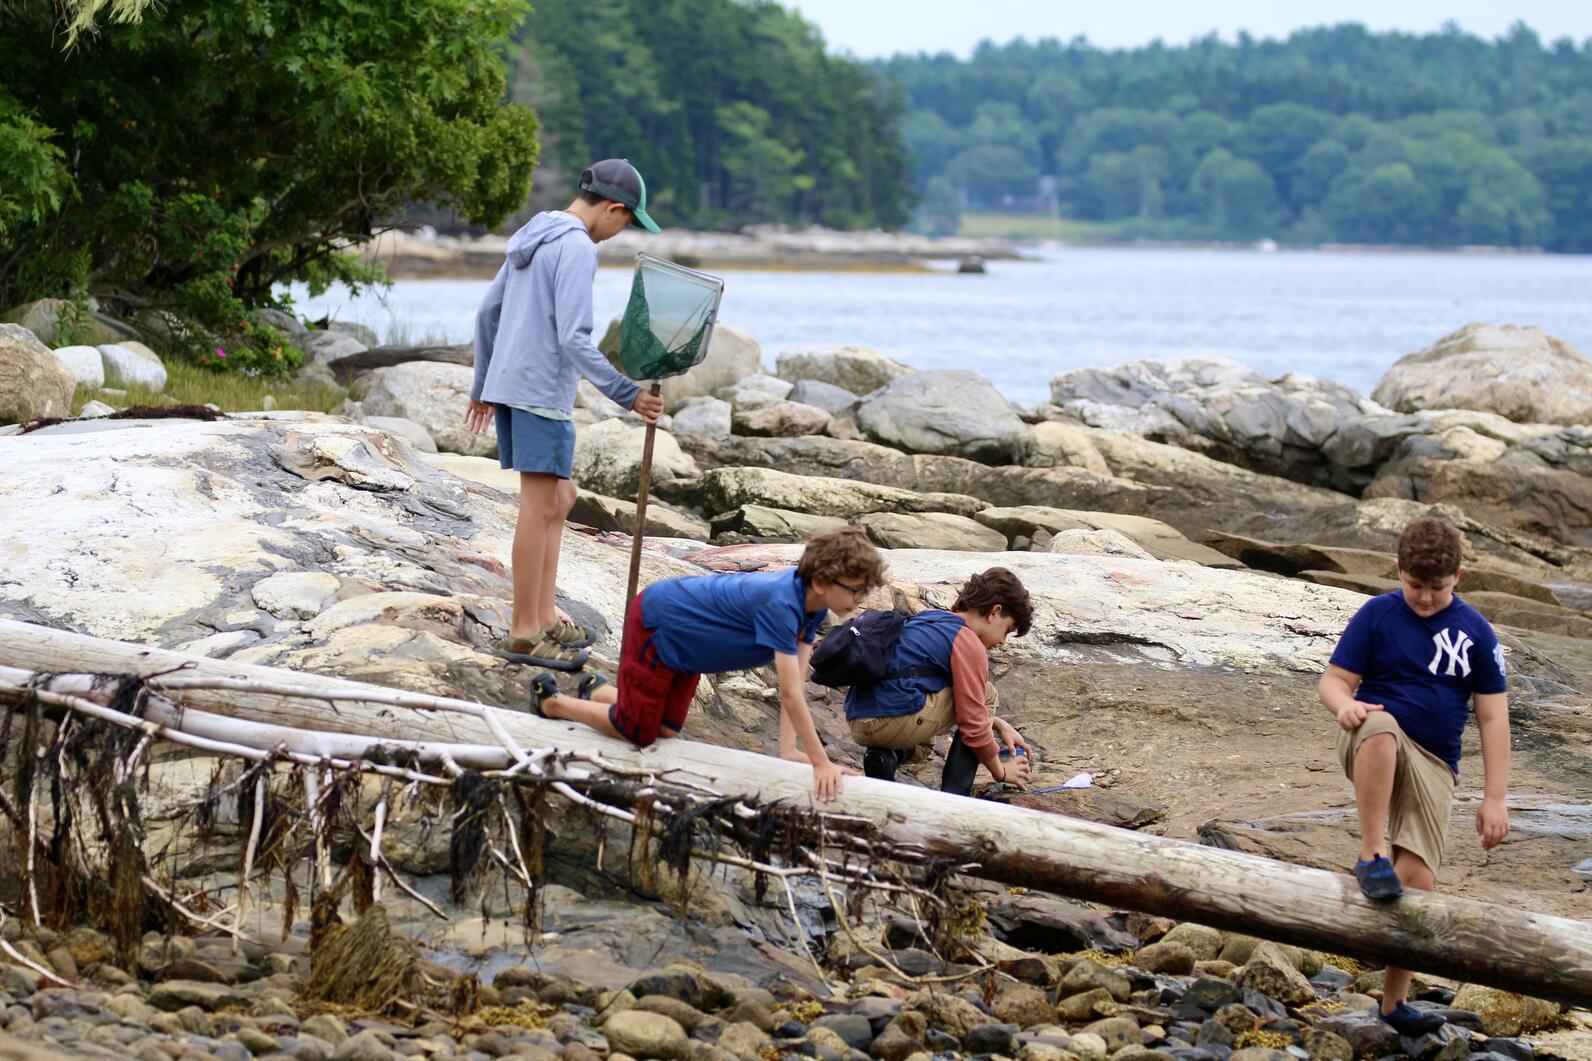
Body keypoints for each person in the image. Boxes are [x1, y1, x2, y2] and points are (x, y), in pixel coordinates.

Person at [465, 158, 666, 671]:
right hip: (539, 393)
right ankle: (524, 631)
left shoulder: (534, 233)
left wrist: (483, 385)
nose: (620, 234)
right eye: (626, 223)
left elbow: (488, 311)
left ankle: (546, 612)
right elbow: (573, 338)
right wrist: (627, 393)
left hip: (514, 386)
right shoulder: (577, 247)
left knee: (561, 496)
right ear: (614, 209)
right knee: (538, 506)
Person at [1317, 516, 1510, 1037]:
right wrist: (1344, 708)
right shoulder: (1377, 614)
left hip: (1437, 762)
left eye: (1437, 589)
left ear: (1459, 576)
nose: (1424, 598)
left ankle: (1392, 1003)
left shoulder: (1476, 633)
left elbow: (1493, 716)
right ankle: (1371, 852)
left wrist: (1495, 798)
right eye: (1415, 586)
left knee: (1418, 880)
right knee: (1380, 724)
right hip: (1372, 742)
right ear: (1398, 569)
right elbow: (1335, 680)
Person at [528, 528, 888, 802]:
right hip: (660, 626)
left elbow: (793, 690)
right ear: (822, 582)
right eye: (855, 590)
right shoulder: (782, 603)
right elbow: (791, 694)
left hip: (690, 651)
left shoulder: (812, 610)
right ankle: (553, 702)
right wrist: (820, 762)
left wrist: (791, 753)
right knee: (637, 730)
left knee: (667, 730)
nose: (860, 599)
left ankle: (598, 689)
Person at [845, 567, 1034, 795]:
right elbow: (973, 722)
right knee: (987, 693)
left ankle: (885, 757)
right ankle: (956, 794)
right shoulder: (968, 642)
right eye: (1007, 630)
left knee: (925, 745)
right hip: (890, 722)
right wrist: (1001, 771)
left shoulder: (929, 619)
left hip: (858, 719)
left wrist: (999, 724)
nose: (1003, 641)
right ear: (995, 612)